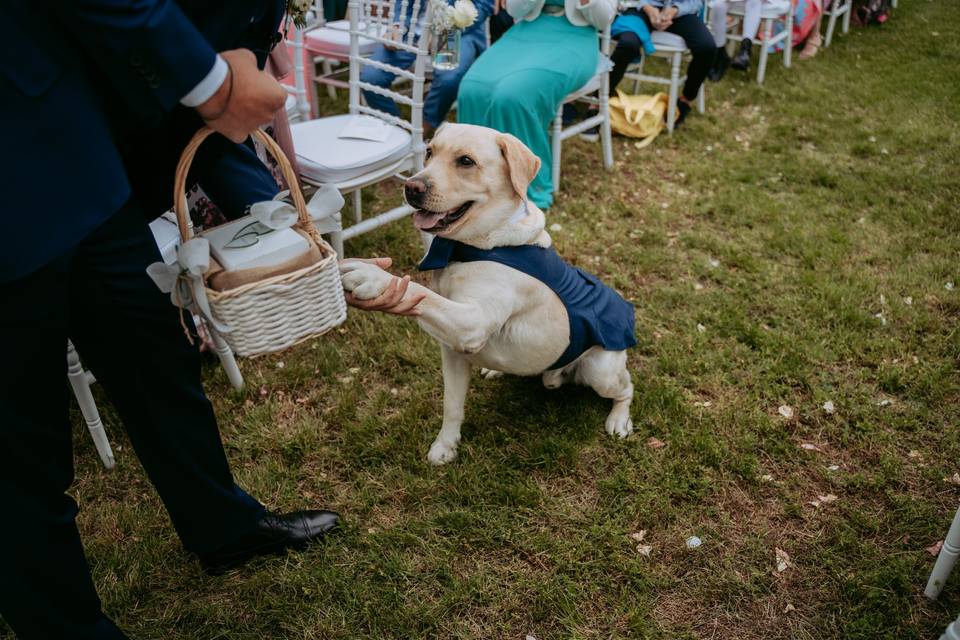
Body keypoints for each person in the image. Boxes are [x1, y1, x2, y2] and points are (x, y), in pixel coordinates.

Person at [0, 2, 417, 637]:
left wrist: (287, 230)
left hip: (74, 157)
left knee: (158, 361)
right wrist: (216, 87)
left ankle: (222, 527)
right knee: (20, 457)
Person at [456, 0, 617, 210]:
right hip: (526, 33)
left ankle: (525, 182)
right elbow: (514, 9)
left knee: (512, 96)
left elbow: (603, 19)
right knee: (472, 89)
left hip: (576, 39)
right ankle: (471, 176)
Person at [360, 0, 494, 138]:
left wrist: (446, 29)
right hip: (412, 31)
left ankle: (423, 128)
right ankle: (400, 132)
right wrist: (397, 26)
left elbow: (484, 5)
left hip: (459, 32)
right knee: (371, 76)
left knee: (449, 79)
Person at [608, 0, 714, 128]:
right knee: (628, 44)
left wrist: (675, 10)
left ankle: (685, 99)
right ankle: (600, 100)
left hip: (681, 12)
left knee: (706, 47)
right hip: (641, 9)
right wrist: (648, 8)